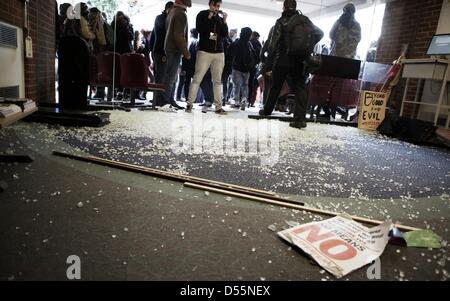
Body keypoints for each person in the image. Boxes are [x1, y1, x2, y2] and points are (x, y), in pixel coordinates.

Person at [259, 0, 309, 129]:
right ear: (296, 7)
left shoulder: (281, 21)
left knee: (276, 86)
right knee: (300, 88)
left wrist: (268, 62)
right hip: (299, 60)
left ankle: (267, 111)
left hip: (282, 60)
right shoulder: (304, 21)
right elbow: (319, 33)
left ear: (284, 7)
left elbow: (273, 43)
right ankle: (300, 119)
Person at [185, 0, 229, 114]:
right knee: (197, 79)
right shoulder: (202, 14)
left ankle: (218, 107)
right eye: (215, 5)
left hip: (219, 53)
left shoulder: (219, 19)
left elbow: (224, 34)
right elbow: (199, 29)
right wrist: (208, 18)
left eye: (218, 6)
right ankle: (189, 104)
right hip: (204, 51)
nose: (216, 7)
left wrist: (224, 21)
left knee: (217, 81)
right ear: (210, 4)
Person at [162, 0, 192, 108]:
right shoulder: (180, 14)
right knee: (171, 77)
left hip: (170, 47)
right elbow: (179, 35)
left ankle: (169, 100)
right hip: (174, 49)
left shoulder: (172, 11)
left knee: (170, 76)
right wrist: (186, 51)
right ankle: (166, 102)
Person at [150, 1, 174, 106]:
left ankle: (165, 99)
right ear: (168, 9)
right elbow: (161, 36)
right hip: (160, 51)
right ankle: (158, 100)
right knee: (160, 76)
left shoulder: (165, 19)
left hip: (162, 51)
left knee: (166, 76)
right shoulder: (160, 18)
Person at [228, 27, 256, 110]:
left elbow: (229, 52)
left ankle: (236, 102)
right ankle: (244, 101)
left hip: (236, 67)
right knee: (245, 86)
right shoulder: (249, 44)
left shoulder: (237, 42)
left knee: (236, 85)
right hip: (247, 69)